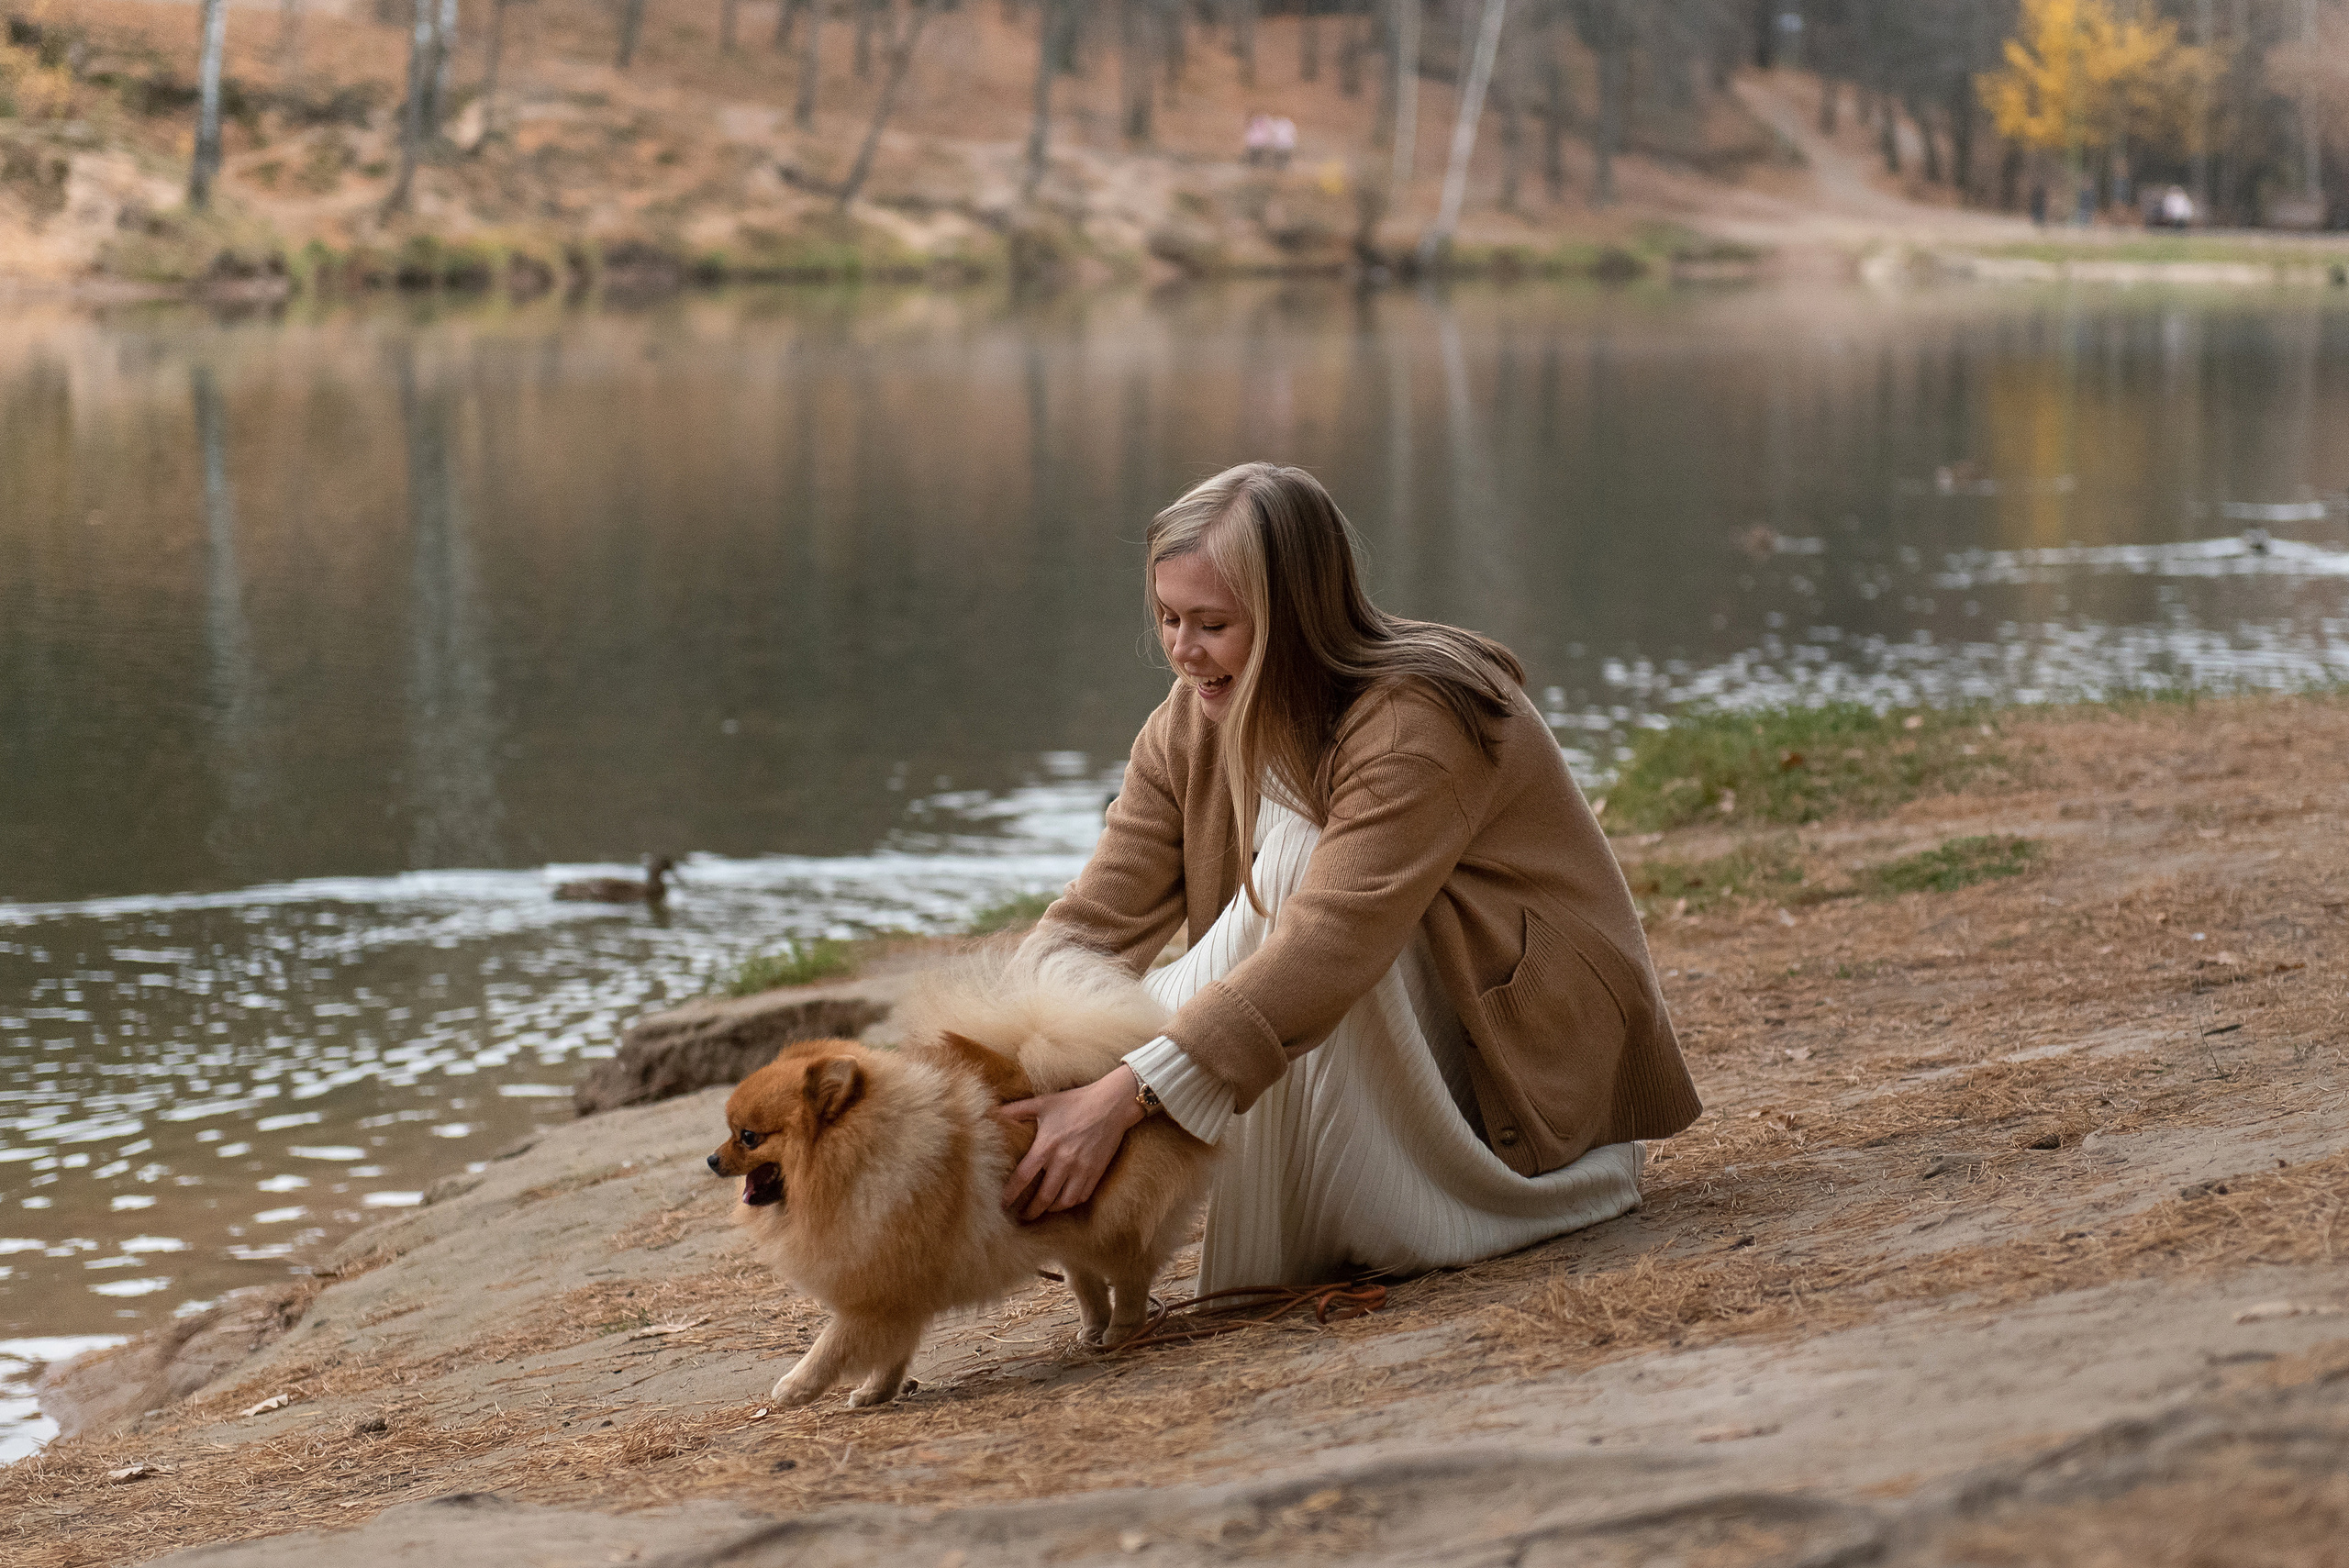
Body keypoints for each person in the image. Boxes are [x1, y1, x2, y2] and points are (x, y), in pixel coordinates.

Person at [1000, 463, 1702, 1293]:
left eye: (1214, 623)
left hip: (1516, 1072)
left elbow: (1331, 940)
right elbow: (1094, 921)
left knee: (1298, 860)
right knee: (1078, 995)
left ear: (1295, 615)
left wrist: (1125, 1094)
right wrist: (983, 1078)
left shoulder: (1419, 715)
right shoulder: (1187, 723)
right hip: (1350, 1007)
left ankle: (1433, 1205)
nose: (1184, 651)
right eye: (1167, 618)